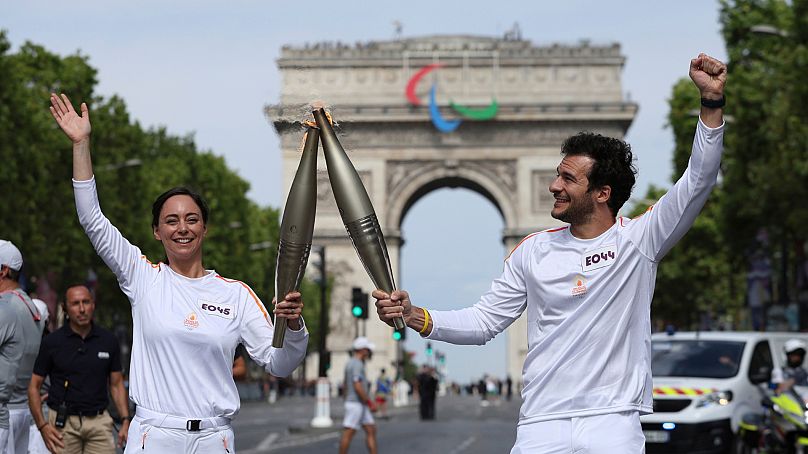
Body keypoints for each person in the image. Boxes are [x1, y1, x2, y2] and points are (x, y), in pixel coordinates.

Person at [374, 53, 727, 452]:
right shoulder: (532, 251)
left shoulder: (640, 241)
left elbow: (698, 181)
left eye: (567, 178)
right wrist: (413, 315)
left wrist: (711, 104)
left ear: (602, 193)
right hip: (542, 422)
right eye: (557, 174)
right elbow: (483, 321)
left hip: (611, 421)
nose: (553, 186)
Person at [49, 93, 309, 453]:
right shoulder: (142, 277)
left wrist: (293, 327)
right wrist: (81, 145)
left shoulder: (236, 294)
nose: (181, 228)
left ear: (204, 228)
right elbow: (92, 219)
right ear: (157, 231)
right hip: (154, 435)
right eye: (171, 221)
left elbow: (280, 364)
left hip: (214, 438)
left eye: (191, 219)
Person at [28, 284, 129, 454]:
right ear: (65, 308)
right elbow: (33, 387)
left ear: (93, 305)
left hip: (99, 422)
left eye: (86, 302)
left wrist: (125, 420)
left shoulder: (108, 340)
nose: (82, 309)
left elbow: (117, 384)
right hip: (63, 424)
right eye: (75, 304)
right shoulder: (52, 342)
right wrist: (42, 426)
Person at [0, 240, 44, 454]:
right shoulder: (29, 304)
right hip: (21, 412)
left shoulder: (5, 306)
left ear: (4, 270)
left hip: (5, 413)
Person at [339, 337, 377, 454]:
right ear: (362, 350)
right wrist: (369, 402)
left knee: (371, 429)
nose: (369, 352)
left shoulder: (351, 363)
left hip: (358, 403)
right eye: (368, 350)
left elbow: (345, 383)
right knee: (349, 432)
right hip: (356, 403)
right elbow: (357, 386)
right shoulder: (357, 364)